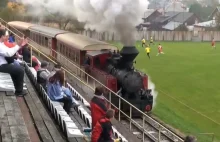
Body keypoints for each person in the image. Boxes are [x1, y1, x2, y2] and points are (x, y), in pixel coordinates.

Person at [0, 29, 27, 96]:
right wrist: (18, 45)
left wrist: (19, 45)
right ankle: (19, 92)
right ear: (2, 36)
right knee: (20, 70)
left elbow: (9, 50)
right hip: (1, 65)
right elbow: (9, 53)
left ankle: (18, 89)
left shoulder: (1, 44)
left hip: (3, 64)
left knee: (17, 69)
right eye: (6, 36)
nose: (8, 37)